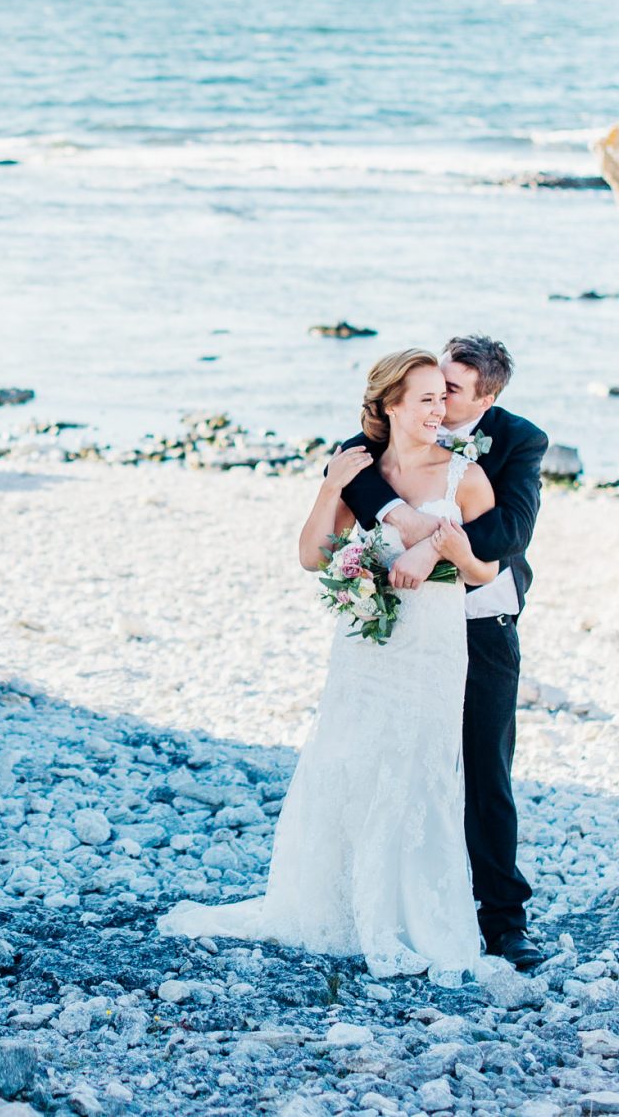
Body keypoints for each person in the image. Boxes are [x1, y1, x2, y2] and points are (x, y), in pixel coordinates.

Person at [157, 349, 500, 983]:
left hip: (432, 644)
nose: (438, 409)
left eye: (441, 398)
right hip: (366, 646)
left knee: (418, 764)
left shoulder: (466, 479)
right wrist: (329, 487)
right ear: (391, 406)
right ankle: (334, 904)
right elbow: (314, 556)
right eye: (424, 399)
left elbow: (487, 572)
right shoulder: (359, 471)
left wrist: (449, 547)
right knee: (347, 756)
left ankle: (408, 913)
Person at [335, 334, 549, 972]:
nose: (438, 397)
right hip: (408, 622)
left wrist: (432, 546)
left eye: (452, 390)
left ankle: (504, 923)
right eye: (434, 385)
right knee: (394, 757)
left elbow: (511, 531)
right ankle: (386, 901)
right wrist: (400, 514)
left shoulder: (520, 440)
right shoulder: (405, 416)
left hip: (481, 617)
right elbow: (346, 466)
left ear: (487, 396)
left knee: (485, 772)